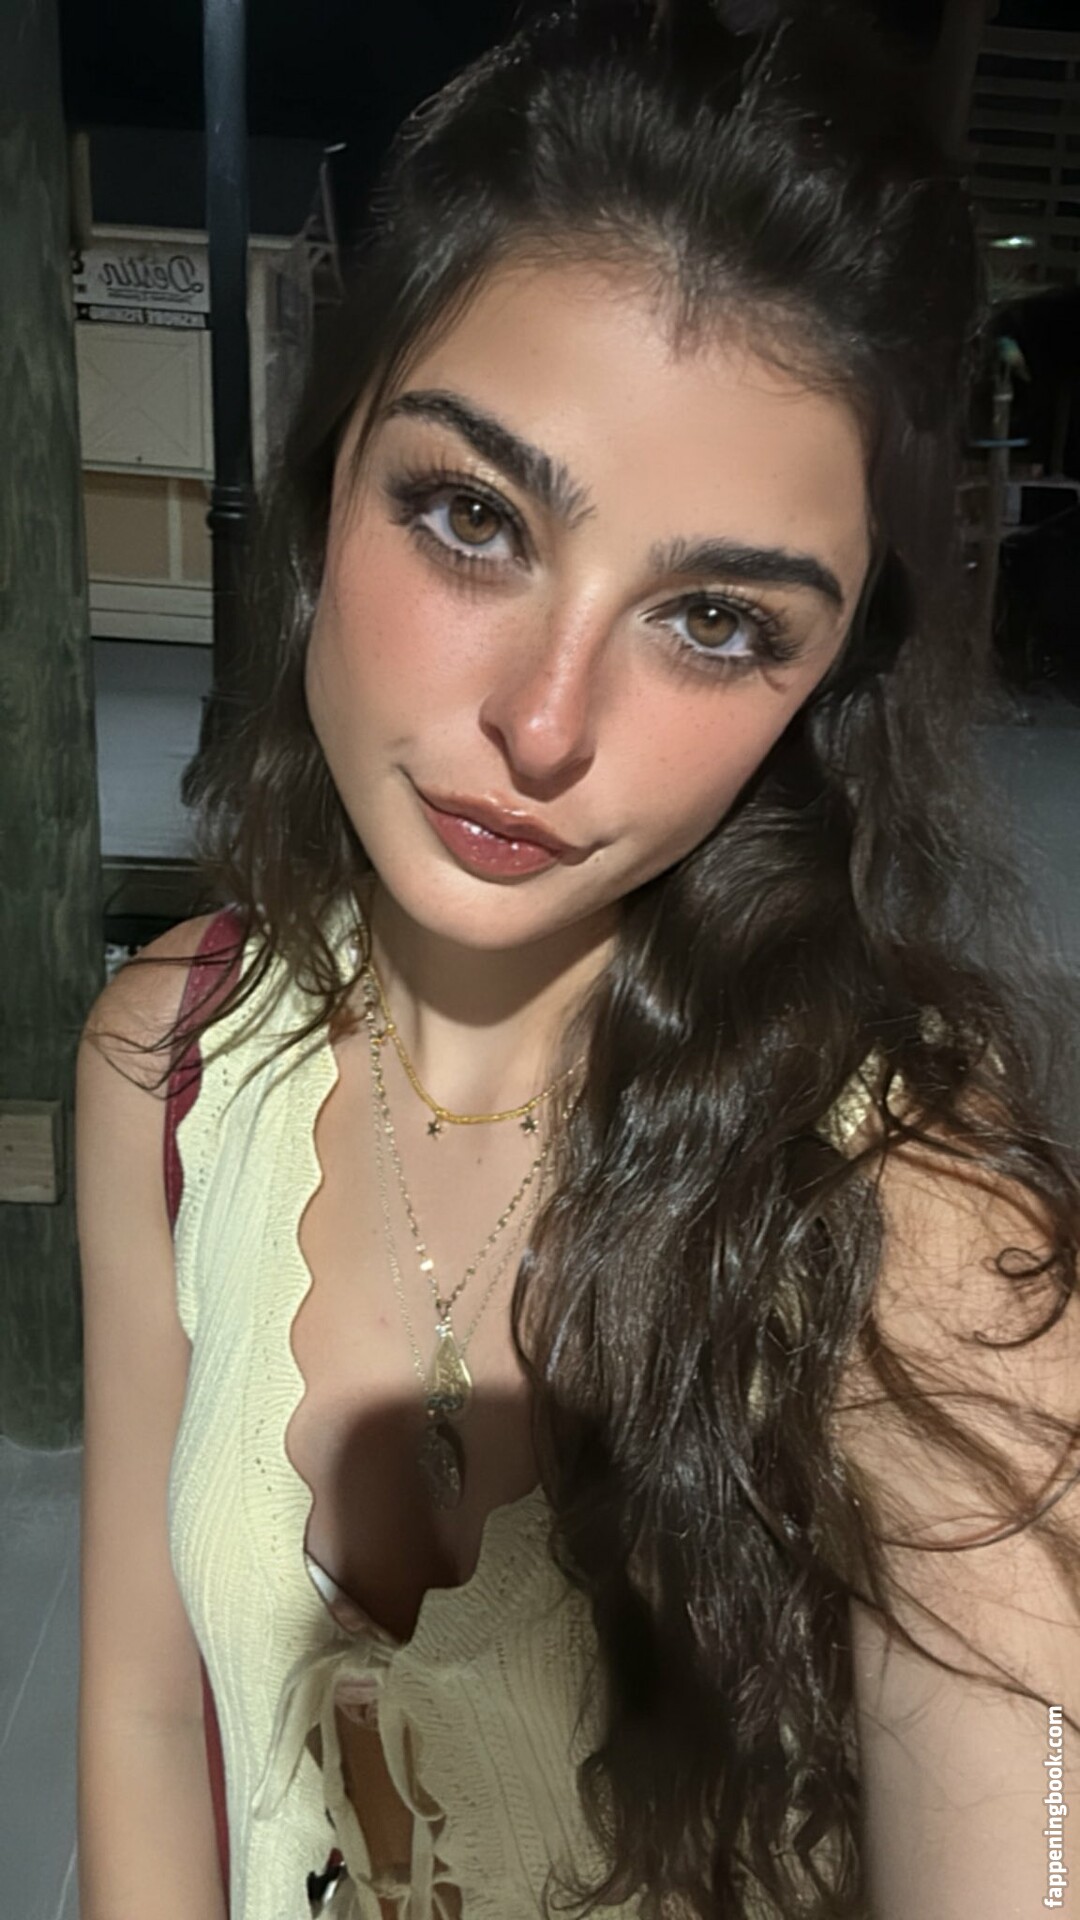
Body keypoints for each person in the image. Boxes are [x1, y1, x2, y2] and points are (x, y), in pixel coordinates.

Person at [75, 2, 1080, 1917]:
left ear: (823, 686)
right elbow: (143, 1714)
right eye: (474, 518)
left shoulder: (912, 1234)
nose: (545, 725)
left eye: (714, 621)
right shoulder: (174, 1057)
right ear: (328, 472)